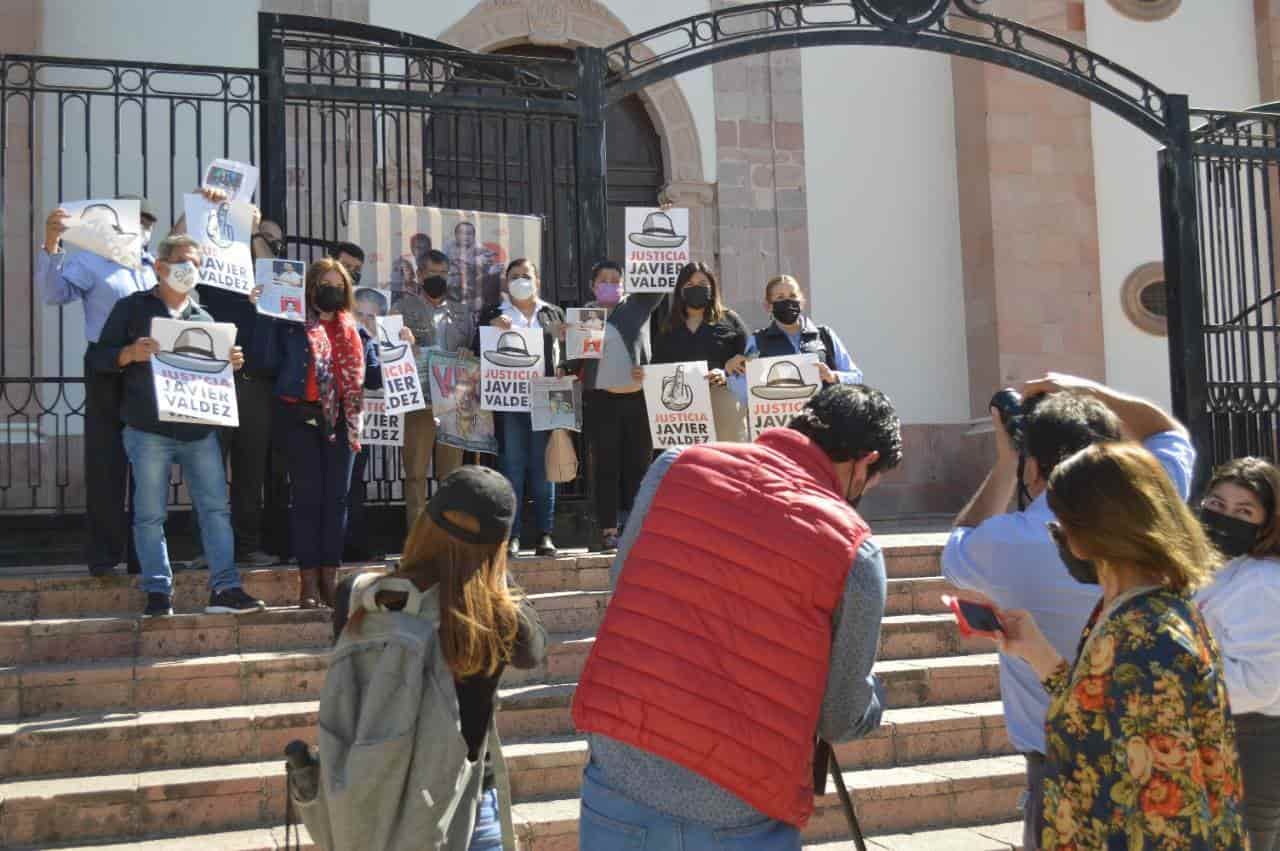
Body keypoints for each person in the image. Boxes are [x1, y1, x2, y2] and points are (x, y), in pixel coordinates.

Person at [572, 384, 901, 848]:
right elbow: (840, 717)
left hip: (623, 774)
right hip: (744, 806)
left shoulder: (674, 467)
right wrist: (874, 700)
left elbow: (624, 580)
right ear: (866, 462)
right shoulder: (855, 549)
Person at [940, 373, 1195, 850]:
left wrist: (1006, 460)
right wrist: (1041, 657)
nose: (1062, 542)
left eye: (1068, 533)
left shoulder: (1149, 626)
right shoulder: (1147, 592)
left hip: (1105, 789)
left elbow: (1104, 728)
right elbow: (1088, 701)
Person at [995, 442, 1247, 849]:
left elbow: (1170, 817)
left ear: (1093, 530)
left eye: (1060, 520)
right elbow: (1101, 715)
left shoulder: (1150, 639)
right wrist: (1038, 654)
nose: (1057, 533)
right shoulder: (1129, 611)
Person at [331, 466, 547, 850]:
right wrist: (496, 575)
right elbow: (533, 652)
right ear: (498, 546)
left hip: (371, 798)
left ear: (425, 523)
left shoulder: (359, 596)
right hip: (462, 807)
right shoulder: (496, 615)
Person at [90, 234, 266, 616]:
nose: (192, 269)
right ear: (160, 266)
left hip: (198, 431)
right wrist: (128, 354)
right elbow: (98, 358)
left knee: (215, 511)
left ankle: (225, 589)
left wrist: (230, 365)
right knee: (150, 515)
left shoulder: (205, 319)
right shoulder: (131, 308)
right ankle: (158, 592)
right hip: (147, 429)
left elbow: (213, 380)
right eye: (184, 261)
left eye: (197, 263)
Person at [37, 195, 158, 576]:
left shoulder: (154, 266)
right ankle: (105, 556)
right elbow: (53, 293)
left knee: (148, 464)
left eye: (147, 224)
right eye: (135, 222)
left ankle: (145, 557)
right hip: (108, 366)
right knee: (107, 461)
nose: (142, 229)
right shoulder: (91, 261)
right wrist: (52, 242)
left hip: (148, 370)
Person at [254, 257, 366, 609]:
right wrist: (264, 315)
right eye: (325, 284)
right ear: (311, 288)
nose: (332, 290)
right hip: (300, 418)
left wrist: (399, 343)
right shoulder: (290, 324)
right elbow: (265, 363)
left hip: (342, 421)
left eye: (338, 285)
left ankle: (330, 577)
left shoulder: (355, 328)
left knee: (336, 500)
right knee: (307, 499)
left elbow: (375, 372)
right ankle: (308, 581)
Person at [1195, 457, 1280, 851]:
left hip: (1249, 742)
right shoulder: (1224, 568)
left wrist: (1178, 674)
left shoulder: (1263, 580)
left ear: (1266, 523)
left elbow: (1258, 685)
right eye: (1217, 504)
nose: (1225, 518)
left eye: (1244, 511)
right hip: (1225, 736)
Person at [563, 260, 657, 552]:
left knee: (638, 464)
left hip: (638, 398)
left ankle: (636, 527)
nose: (610, 285)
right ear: (593, 286)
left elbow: (661, 281)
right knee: (605, 465)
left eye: (616, 280)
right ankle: (608, 530)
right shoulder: (586, 316)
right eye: (603, 280)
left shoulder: (638, 306)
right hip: (601, 401)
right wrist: (565, 339)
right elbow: (574, 363)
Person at [475, 259, 564, 559]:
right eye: (514, 276)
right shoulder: (493, 313)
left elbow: (567, 354)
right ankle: (511, 537)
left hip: (545, 399)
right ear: (506, 282)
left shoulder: (553, 313)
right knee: (511, 466)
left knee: (544, 468)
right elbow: (476, 351)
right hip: (508, 402)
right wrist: (490, 329)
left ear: (537, 281)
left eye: (526, 275)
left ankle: (545, 534)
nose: (521, 281)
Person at [391, 262, 469, 529]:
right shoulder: (401, 308)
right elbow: (387, 347)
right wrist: (402, 344)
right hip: (418, 402)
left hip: (453, 403)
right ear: (420, 275)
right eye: (431, 272)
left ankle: (449, 535)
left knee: (452, 475)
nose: (438, 277)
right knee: (415, 473)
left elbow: (473, 350)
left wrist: (468, 354)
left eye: (443, 272)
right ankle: (416, 537)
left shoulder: (463, 312)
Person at [726, 274, 863, 404]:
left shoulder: (824, 335)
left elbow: (856, 377)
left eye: (792, 296)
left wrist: (833, 376)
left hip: (823, 416)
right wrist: (730, 372)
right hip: (779, 417)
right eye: (780, 297)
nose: (788, 302)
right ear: (768, 306)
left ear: (801, 301)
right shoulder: (758, 341)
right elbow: (744, 390)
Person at [651, 261, 749, 441]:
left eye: (703, 284)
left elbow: (751, 359)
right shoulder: (668, 327)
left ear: (712, 288)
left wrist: (726, 374)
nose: (696, 288)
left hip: (724, 406)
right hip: (683, 414)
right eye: (690, 284)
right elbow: (657, 369)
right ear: (680, 290)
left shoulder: (730, 319)